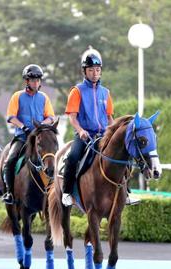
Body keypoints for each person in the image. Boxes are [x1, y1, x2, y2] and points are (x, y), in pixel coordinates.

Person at [61, 47, 139, 206]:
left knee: (123, 156)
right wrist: (81, 131)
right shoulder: (77, 91)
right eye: (91, 70)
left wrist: (116, 131)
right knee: (72, 157)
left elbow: (110, 117)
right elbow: (72, 117)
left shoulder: (106, 93)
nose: (95, 73)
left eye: (97, 70)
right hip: (85, 135)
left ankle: (127, 193)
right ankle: (67, 192)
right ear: (84, 71)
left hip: (104, 134)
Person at [2, 64, 56, 205]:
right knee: (10, 160)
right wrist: (24, 127)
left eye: (38, 80)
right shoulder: (17, 96)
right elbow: (11, 116)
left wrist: (42, 125)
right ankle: (9, 192)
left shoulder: (44, 97)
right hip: (22, 137)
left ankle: (55, 191)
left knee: (52, 156)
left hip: (40, 137)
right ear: (27, 81)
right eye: (33, 80)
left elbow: (51, 116)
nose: (36, 83)